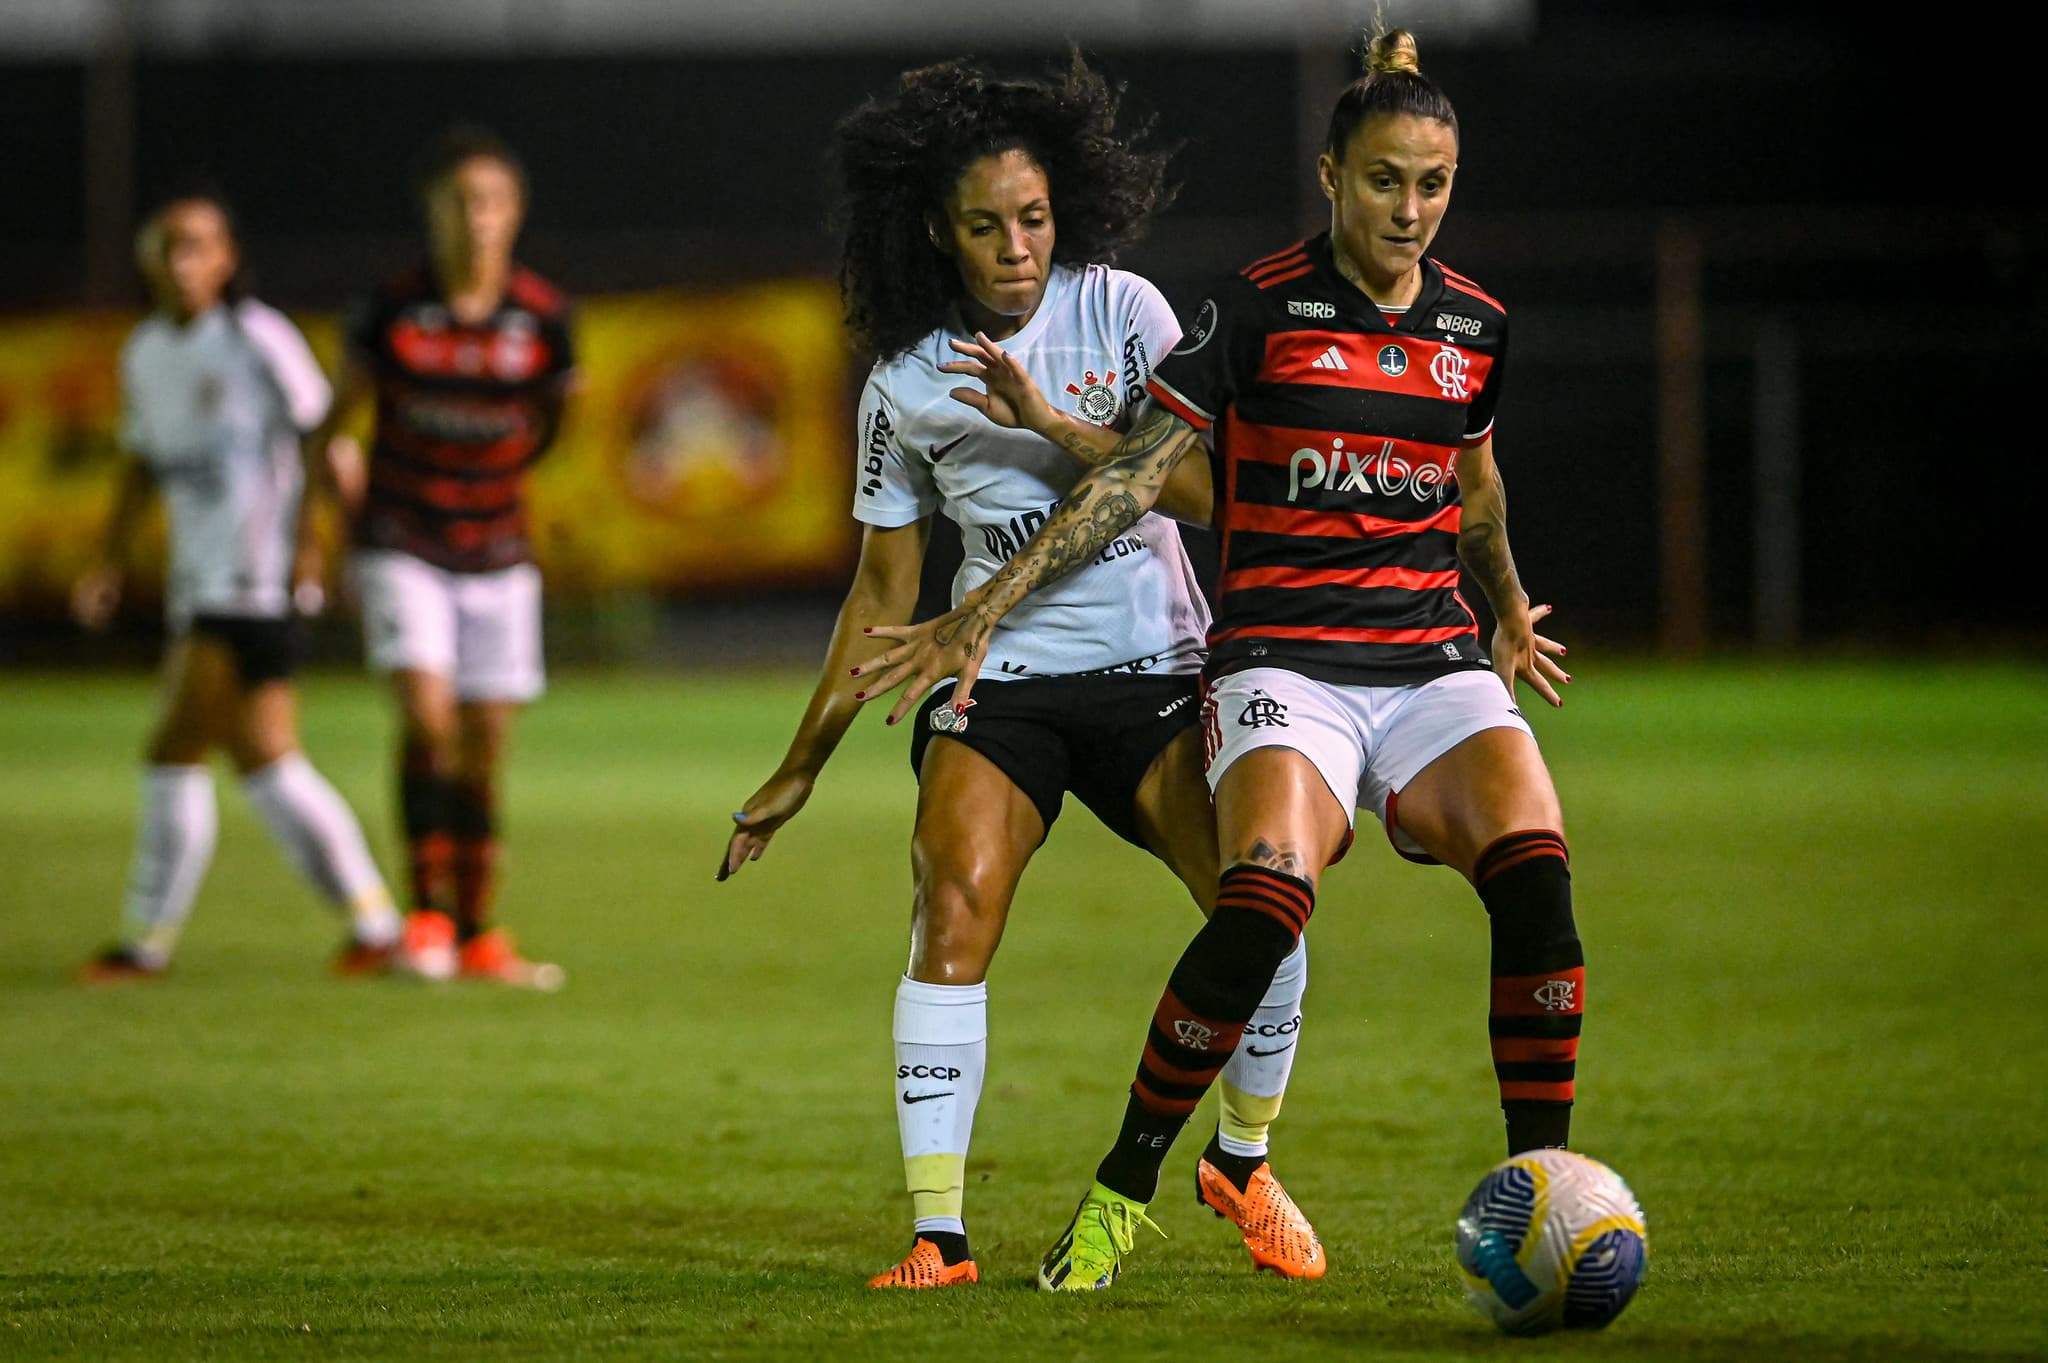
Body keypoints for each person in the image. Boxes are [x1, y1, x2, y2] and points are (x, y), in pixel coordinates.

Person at [860, 28, 1579, 1292]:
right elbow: (1145, 477)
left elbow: (1471, 479)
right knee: (1259, 898)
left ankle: (1537, 1192)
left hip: (1420, 661)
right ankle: (1102, 1191)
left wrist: (1508, 606)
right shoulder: (1255, 308)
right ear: (1330, 176)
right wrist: (984, 605)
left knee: (1534, 874)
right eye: (1381, 181)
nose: (1407, 210)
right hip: (1281, 665)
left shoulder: (1476, 324)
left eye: (1431, 184)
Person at [720, 54, 1326, 1289]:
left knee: (1265, 903)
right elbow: (883, 597)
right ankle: (937, 1237)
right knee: (952, 902)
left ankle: (1240, 1158)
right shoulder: (903, 380)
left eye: (1033, 219)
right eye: (986, 225)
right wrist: (798, 768)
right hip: (995, 684)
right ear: (937, 233)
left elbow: (1212, 492)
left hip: (1156, 667)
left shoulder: (1125, 313)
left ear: (1067, 214)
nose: (1015, 246)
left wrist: (1051, 417)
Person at [73, 190, 406, 982]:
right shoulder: (146, 351)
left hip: (258, 580)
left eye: (197, 245)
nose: (181, 261)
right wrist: (111, 560)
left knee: (173, 746)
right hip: (203, 582)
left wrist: (331, 548)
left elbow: (327, 443)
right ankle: (378, 926)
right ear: (147, 260)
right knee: (268, 761)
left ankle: (145, 943)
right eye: (166, 246)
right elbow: (142, 464)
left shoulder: (258, 338)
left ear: (226, 259)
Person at [303, 125, 574, 989]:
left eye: (489, 202)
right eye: (459, 203)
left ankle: (477, 930)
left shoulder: (541, 317)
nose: (475, 219)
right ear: (433, 213)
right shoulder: (391, 310)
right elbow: (329, 431)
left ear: (514, 212)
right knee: (427, 718)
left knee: (485, 742)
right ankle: (422, 919)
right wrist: (334, 533)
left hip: (498, 549)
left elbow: (552, 421)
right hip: (402, 539)